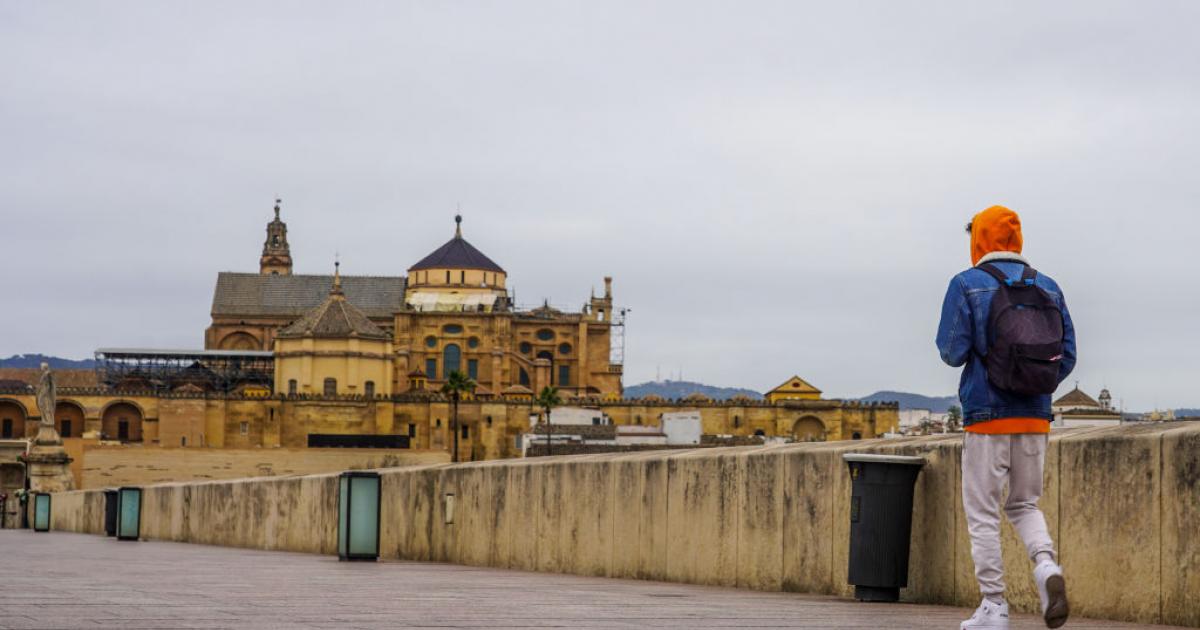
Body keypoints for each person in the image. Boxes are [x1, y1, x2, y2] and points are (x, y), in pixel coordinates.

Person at [936, 205, 1075, 629]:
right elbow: (1065, 358)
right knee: (1024, 503)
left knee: (983, 512)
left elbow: (951, 351)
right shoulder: (1048, 286)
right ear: (1017, 241)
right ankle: (1046, 565)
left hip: (986, 415)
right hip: (1034, 417)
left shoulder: (966, 283)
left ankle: (994, 607)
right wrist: (1029, 385)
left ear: (979, 240)